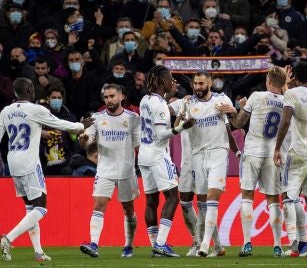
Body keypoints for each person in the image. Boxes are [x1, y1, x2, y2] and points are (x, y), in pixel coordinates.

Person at [0, 78, 93, 262]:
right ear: (28, 89)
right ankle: (8, 239)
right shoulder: (36, 109)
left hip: (13, 162)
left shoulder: (6, 111)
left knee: (30, 208)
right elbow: (61, 124)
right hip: (29, 162)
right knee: (41, 209)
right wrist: (81, 126)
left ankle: (38, 251)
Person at [218, 66, 288, 257]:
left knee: (247, 196)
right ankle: (277, 246)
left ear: (269, 81)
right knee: (273, 199)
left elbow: (238, 123)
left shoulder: (256, 97)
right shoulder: (286, 102)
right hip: (273, 154)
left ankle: (247, 243)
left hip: (253, 152)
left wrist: (239, 108)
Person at [138, 65, 194, 257]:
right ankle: (161, 243)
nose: (173, 82)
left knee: (151, 201)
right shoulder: (160, 105)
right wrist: (181, 128)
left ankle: (155, 246)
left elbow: (159, 111)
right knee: (172, 197)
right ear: (162, 81)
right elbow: (161, 134)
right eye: (170, 79)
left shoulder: (145, 99)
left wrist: (171, 97)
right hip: (158, 154)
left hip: (143, 155)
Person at [79, 84, 140, 258]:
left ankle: (128, 245)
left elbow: (139, 145)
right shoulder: (96, 118)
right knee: (99, 205)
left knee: (128, 210)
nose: (109, 100)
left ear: (121, 97)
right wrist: (83, 139)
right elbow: (86, 141)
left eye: (112, 96)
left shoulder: (133, 118)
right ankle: (94, 244)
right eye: (106, 97)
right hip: (104, 170)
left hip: (126, 171)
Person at [273, 61, 307, 257]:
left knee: (288, 196)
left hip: (299, 151)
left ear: (295, 76)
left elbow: (286, 120)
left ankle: (294, 245)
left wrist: (277, 148)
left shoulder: (292, 94)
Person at [183, 71, 238, 257]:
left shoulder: (221, 100)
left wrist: (234, 110)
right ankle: (218, 246)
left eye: (201, 83)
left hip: (218, 153)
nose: (198, 87)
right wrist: (182, 119)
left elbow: (235, 119)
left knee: (213, 196)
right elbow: (176, 123)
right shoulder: (189, 103)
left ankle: (204, 244)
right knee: (203, 203)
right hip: (198, 155)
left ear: (209, 84)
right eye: (195, 83)